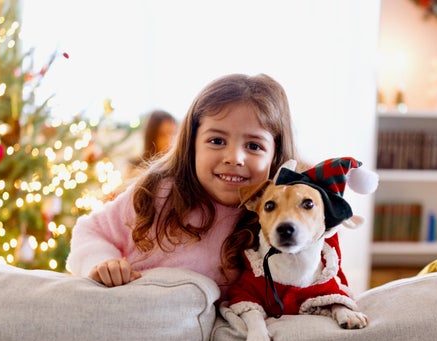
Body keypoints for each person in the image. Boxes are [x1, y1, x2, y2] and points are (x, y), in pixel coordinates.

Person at [66, 73, 298, 299]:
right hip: (132, 315)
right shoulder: (158, 192)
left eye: (254, 146)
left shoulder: (279, 219)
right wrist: (101, 263)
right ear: (192, 144)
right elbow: (89, 231)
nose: (234, 157)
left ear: (275, 155)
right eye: (217, 141)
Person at [127, 109, 178, 176]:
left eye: (173, 133)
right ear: (151, 136)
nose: (169, 141)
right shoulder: (137, 169)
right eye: (162, 135)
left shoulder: (178, 167)